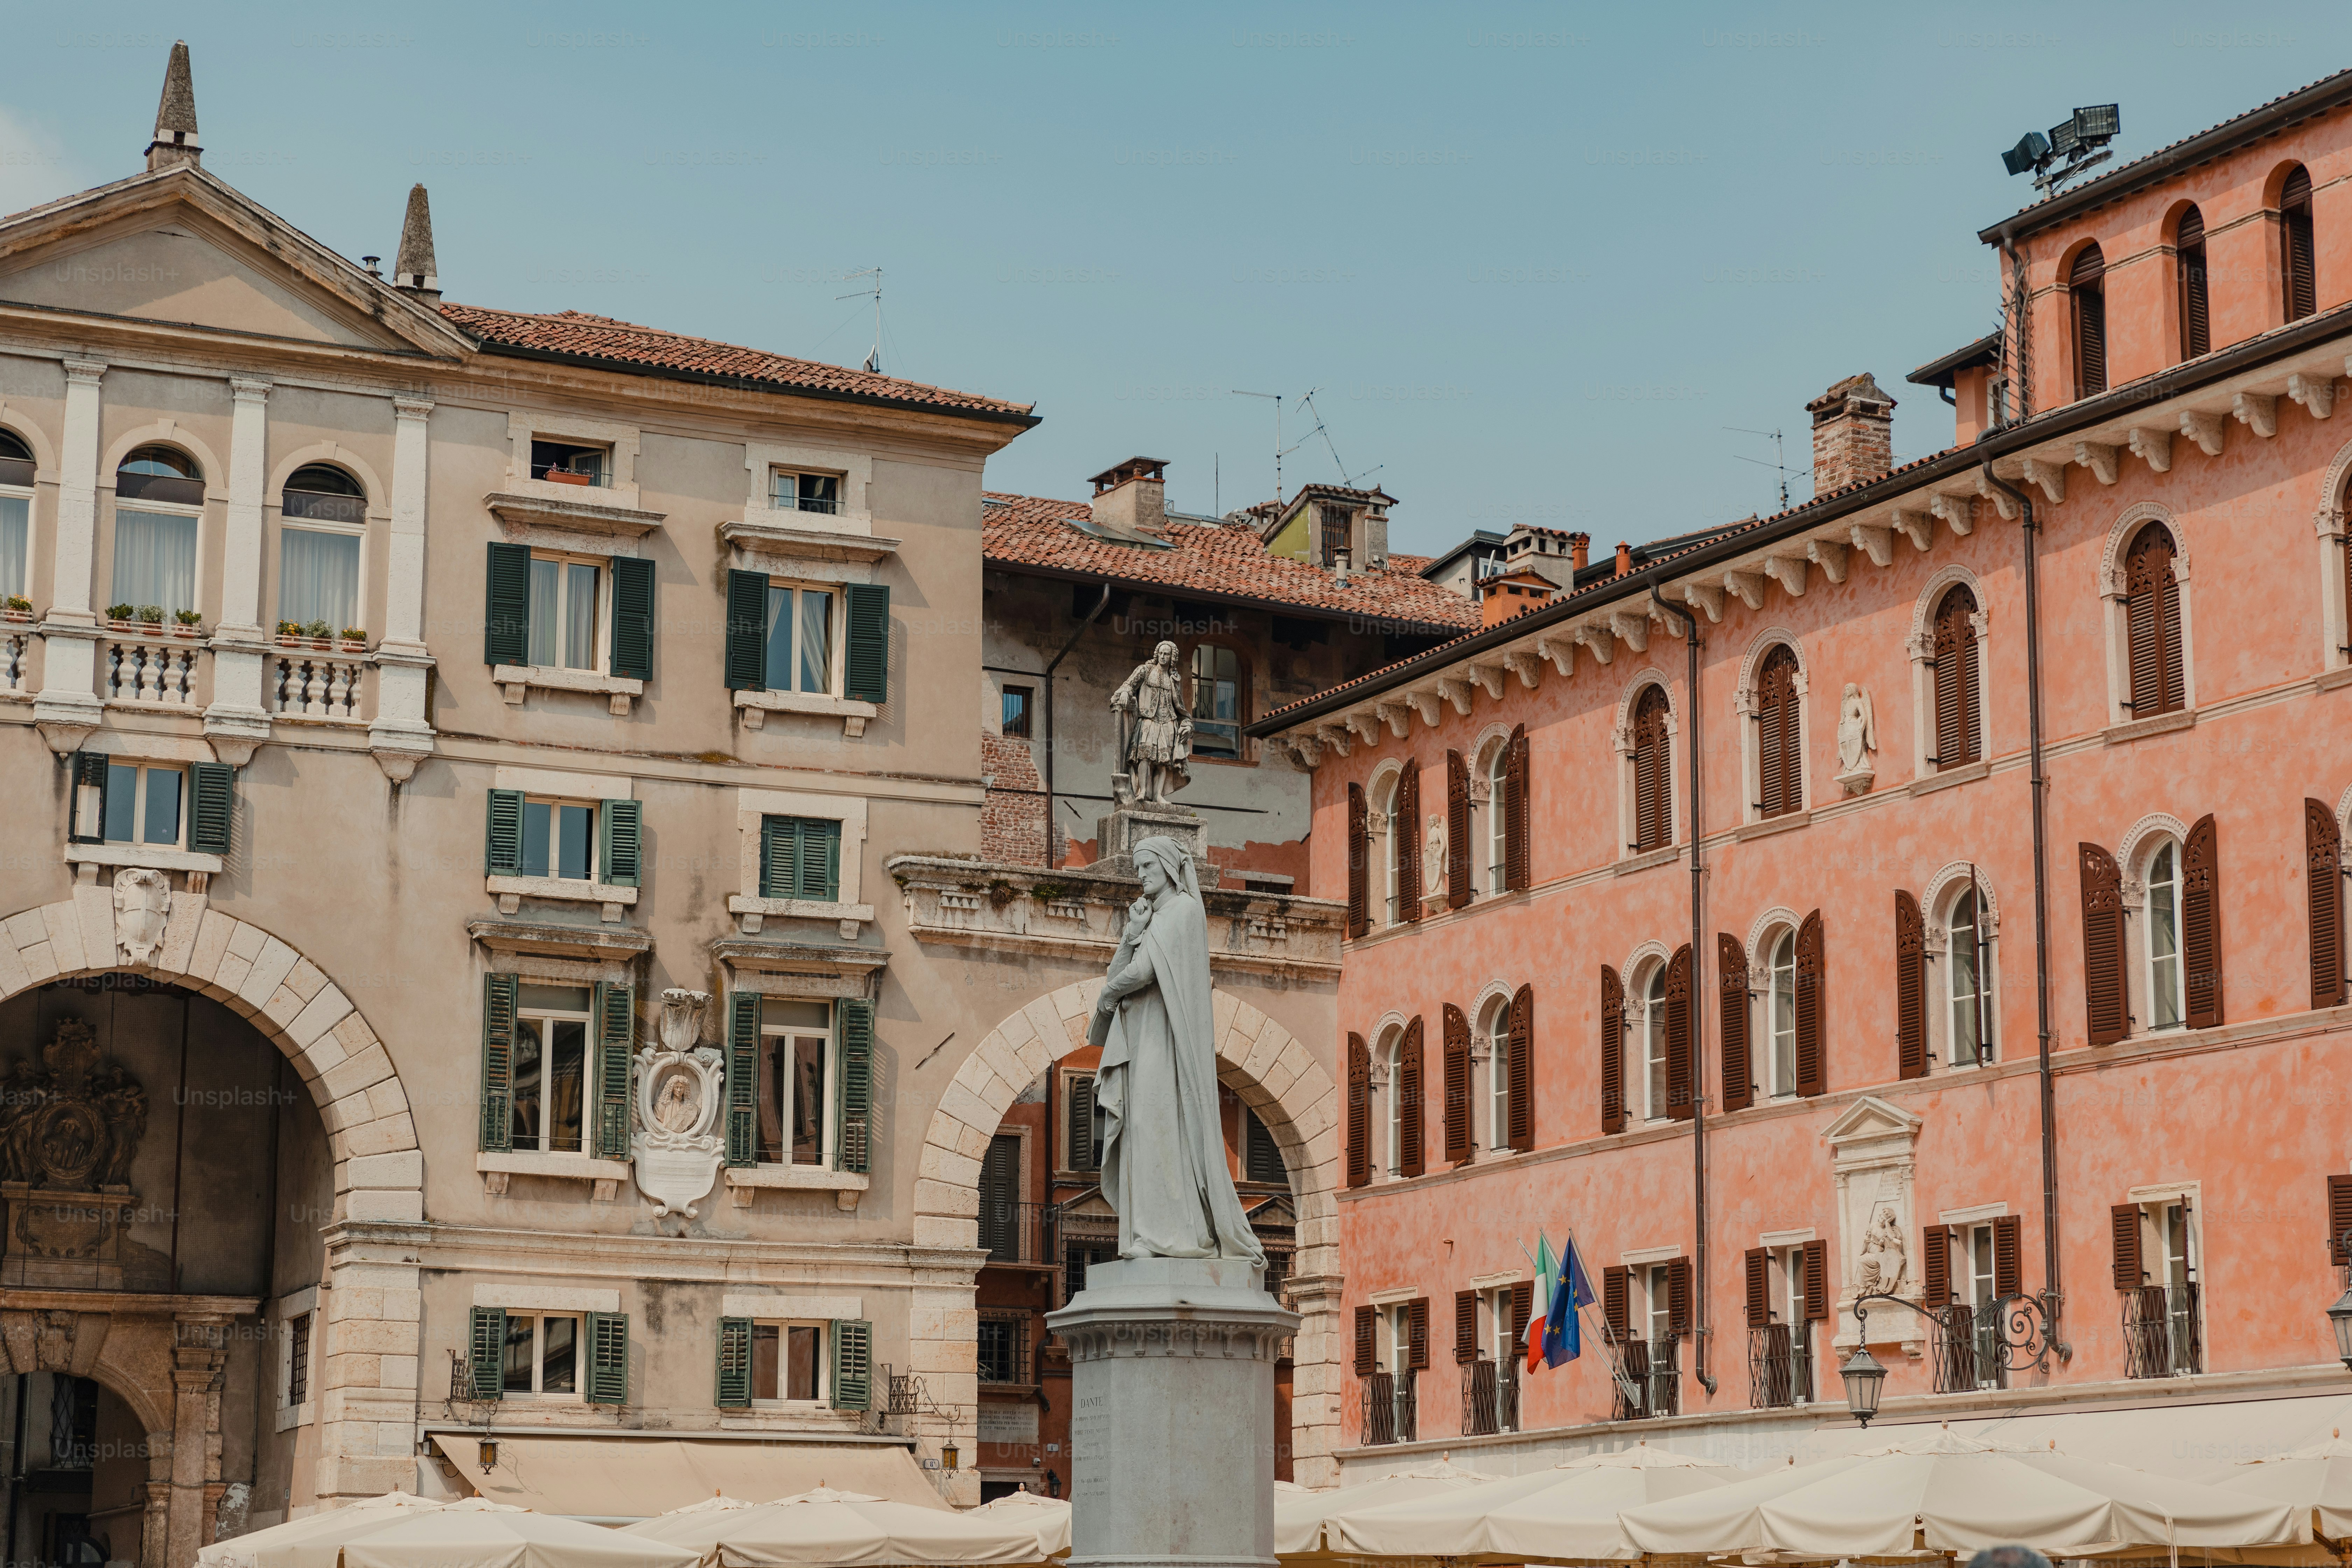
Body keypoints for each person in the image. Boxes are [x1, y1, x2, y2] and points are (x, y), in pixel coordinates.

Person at [1087, 836, 1264, 1262]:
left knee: (1159, 1129)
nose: (1141, 876)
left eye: (1147, 866)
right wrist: (1130, 935)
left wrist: (1109, 994)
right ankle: (1147, 1233)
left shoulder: (1184, 911)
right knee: (1142, 1130)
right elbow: (1126, 966)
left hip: (1164, 1044)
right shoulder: (1151, 918)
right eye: (1138, 869)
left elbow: (1142, 973)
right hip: (1143, 1036)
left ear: (1167, 867)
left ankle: (1171, 1236)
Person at [1111, 641, 1192, 805]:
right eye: (1161, 653)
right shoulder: (1145, 671)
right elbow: (1128, 685)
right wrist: (1126, 692)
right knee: (1145, 758)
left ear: (1172, 658)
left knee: (1163, 763)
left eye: (1167, 654)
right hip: (1148, 721)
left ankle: (1158, 795)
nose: (1163, 657)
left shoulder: (1174, 679)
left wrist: (1188, 726)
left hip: (1168, 723)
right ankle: (1143, 792)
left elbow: (1181, 709)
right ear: (1157, 655)